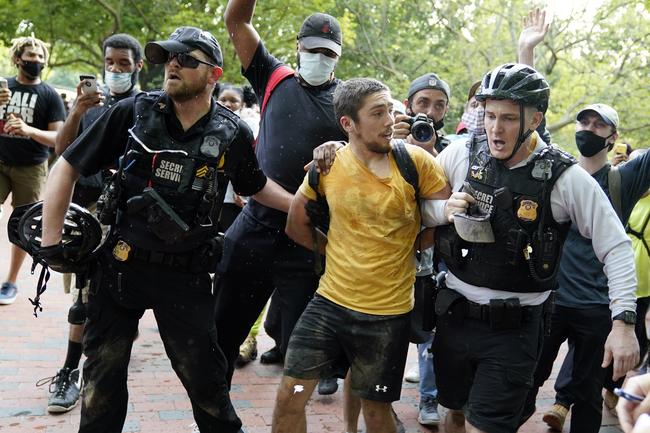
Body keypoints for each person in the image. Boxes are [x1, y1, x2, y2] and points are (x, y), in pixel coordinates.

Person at [38, 26, 293, 433]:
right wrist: (50, 242)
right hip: (119, 269)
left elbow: (256, 186)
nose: (172, 64)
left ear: (213, 74)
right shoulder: (133, 112)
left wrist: (300, 205)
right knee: (101, 387)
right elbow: (67, 164)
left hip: (185, 276)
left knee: (208, 386)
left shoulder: (232, 132)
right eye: (169, 57)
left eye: (187, 58)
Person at [419, 63, 638, 433]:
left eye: (507, 118)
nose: (494, 128)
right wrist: (443, 209)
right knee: (452, 413)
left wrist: (624, 322)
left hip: (515, 330)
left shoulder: (565, 178)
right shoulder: (461, 154)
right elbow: (418, 208)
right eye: (489, 115)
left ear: (535, 119)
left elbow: (615, 247)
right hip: (453, 317)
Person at [273, 77, 450, 433]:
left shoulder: (417, 163)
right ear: (348, 124)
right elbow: (296, 225)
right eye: (378, 113)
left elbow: (446, 219)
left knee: (376, 413)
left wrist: (412, 247)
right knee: (290, 396)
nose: (389, 120)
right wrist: (334, 249)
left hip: (387, 317)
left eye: (391, 110)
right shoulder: (326, 166)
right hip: (329, 306)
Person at [218, 0, 347, 395]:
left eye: (328, 53)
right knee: (220, 336)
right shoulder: (272, 76)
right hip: (254, 226)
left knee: (302, 354)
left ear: (338, 58)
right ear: (298, 47)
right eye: (313, 49)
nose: (319, 58)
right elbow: (236, 20)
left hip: (308, 240)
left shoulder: (347, 101)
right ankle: (214, 414)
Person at [33, 33, 144, 415]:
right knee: (83, 294)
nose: (115, 70)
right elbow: (62, 153)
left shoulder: (144, 109)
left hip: (128, 217)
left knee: (110, 295)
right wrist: (78, 112)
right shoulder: (89, 106)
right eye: (110, 63)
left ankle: (97, 356)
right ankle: (69, 371)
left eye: (124, 64)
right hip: (86, 214)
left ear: (139, 66)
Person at [526, 104, 650, 433]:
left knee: (587, 394)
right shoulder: (558, 171)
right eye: (584, 122)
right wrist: (525, 51)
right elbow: (528, 118)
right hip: (550, 300)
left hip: (597, 305)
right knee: (525, 381)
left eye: (598, 125)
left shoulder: (623, 178)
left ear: (613, 137)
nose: (588, 129)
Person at [0, 36, 66, 305]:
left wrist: (28, 130)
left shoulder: (49, 96)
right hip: (0, 161)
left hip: (32, 168)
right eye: (30, 56)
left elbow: (58, 139)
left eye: (40, 57)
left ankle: (10, 282)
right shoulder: (4, 87)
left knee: (20, 226)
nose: (35, 61)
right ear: (17, 59)